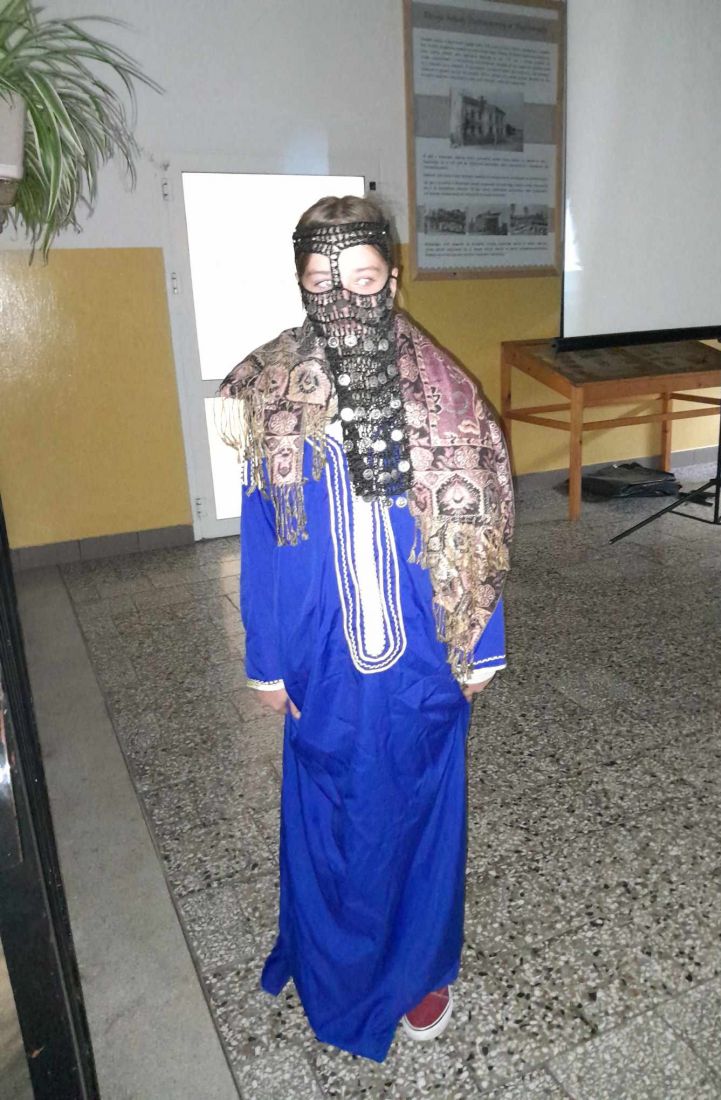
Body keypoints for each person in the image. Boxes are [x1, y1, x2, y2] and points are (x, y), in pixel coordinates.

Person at [219, 195, 513, 1062]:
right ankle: (333, 965)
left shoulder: (448, 397)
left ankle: (420, 968)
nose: (341, 298)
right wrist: (267, 661)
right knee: (331, 810)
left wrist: (480, 645)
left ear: (392, 275)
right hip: (321, 654)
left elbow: (482, 529)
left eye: (361, 277)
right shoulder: (270, 390)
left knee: (422, 810)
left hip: (424, 650)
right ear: (299, 284)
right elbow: (261, 536)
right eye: (320, 280)